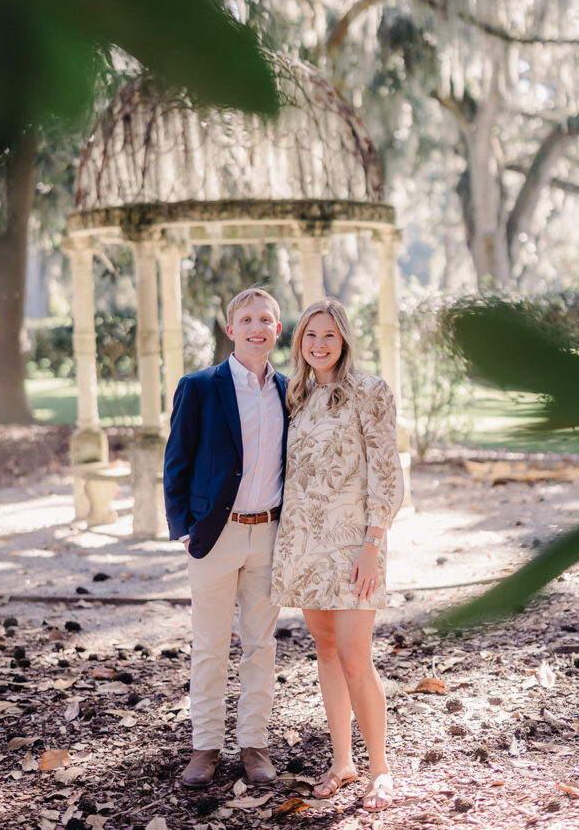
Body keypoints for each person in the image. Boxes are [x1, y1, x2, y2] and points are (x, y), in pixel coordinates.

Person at [271, 298, 403, 812]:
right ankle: (342, 762)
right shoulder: (296, 396)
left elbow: (386, 471)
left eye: (328, 335)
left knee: (354, 654)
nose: (319, 344)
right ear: (299, 342)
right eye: (310, 336)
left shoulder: (369, 391)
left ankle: (381, 770)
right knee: (325, 650)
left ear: (343, 339)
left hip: (354, 542)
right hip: (303, 541)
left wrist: (373, 542)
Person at [163, 287, 288, 789]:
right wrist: (184, 531)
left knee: (262, 646)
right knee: (210, 647)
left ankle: (254, 745)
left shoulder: (289, 391)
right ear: (231, 328)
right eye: (246, 319)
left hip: (271, 533)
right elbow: (177, 461)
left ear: (278, 331)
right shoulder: (199, 387)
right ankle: (205, 748)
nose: (257, 328)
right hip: (214, 537)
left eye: (266, 320)